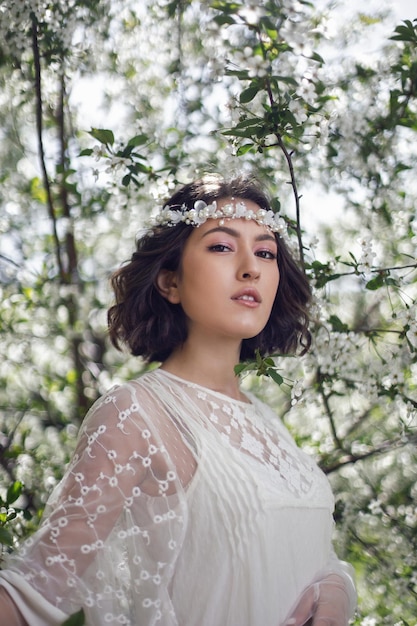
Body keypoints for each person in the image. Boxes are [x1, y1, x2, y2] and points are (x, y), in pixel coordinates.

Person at [0, 174, 357, 625]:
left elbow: (307, 552)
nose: (250, 267)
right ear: (170, 282)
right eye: (222, 247)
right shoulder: (135, 414)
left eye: (265, 252)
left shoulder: (267, 421)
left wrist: (335, 587)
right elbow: (36, 590)